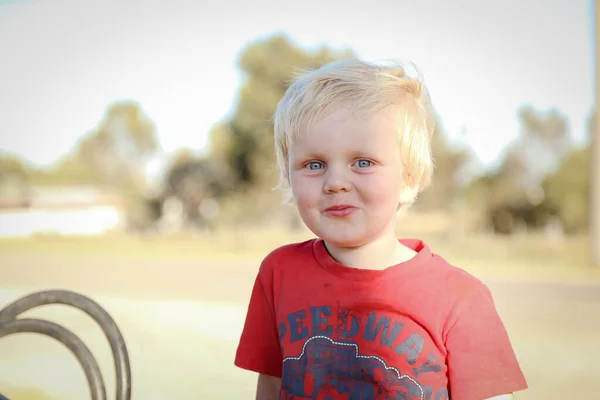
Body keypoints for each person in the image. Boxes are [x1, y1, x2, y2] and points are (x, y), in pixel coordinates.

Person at [234, 58, 528, 400]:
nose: (335, 183)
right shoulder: (278, 273)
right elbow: (271, 385)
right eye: (313, 164)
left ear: (408, 179)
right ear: (288, 175)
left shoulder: (460, 298)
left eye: (363, 162)